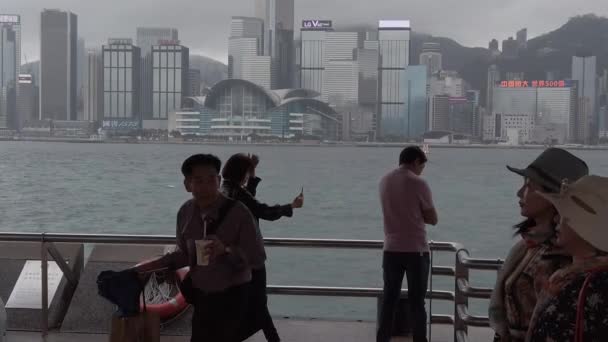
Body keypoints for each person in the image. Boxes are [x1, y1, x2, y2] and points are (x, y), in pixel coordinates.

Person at [132, 154, 265, 342]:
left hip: (232, 296)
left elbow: (258, 257)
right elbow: (183, 255)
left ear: (219, 180)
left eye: (212, 179)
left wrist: (226, 250)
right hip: (202, 296)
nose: (206, 186)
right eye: (198, 180)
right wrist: (144, 268)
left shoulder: (240, 213)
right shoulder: (185, 213)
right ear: (187, 185)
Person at [489, 148, 588, 341]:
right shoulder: (529, 246)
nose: (519, 193)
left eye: (529, 186)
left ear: (552, 197)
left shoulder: (564, 256)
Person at [221, 153, 304, 342]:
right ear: (242, 173)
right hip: (250, 256)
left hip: (234, 256)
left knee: (257, 304)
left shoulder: (225, 189)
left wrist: (251, 171)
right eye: (247, 172)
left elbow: (248, 200)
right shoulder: (238, 194)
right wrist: (291, 206)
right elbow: (263, 211)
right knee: (259, 305)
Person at [526, 175, 608, 341]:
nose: (556, 219)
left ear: (584, 228)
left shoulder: (594, 284)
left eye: (565, 215)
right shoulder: (572, 277)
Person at [376, 146, 438, 342]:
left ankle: (382, 338)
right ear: (416, 162)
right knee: (417, 302)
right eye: (422, 166)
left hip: (391, 249)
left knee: (389, 300)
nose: (422, 170)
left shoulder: (384, 180)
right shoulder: (418, 183)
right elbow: (433, 218)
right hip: (416, 250)